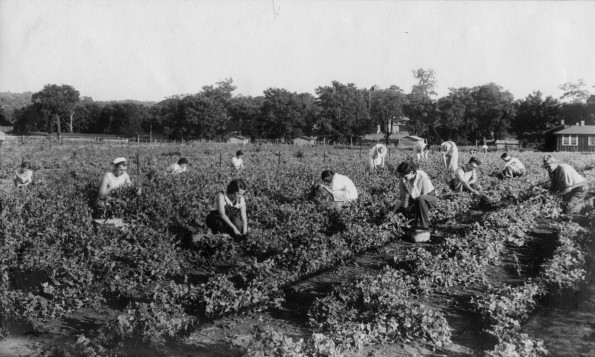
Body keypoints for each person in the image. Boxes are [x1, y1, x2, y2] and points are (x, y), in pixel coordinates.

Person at [392, 161, 437, 229]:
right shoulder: (403, 179)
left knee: (420, 201)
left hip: (429, 197)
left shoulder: (422, 176)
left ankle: (427, 226)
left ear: (411, 172)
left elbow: (423, 196)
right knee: (413, 222)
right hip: (416, 199)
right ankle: (419, 225)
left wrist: (416, 211)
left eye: (404, 176)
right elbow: (401, 198)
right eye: (401, 176)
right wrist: (393, 212)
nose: (402, 178)